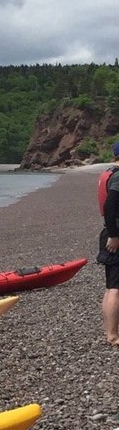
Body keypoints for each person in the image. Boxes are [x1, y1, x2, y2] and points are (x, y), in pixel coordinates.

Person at [100, 141, 119, 345]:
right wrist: (114, 235)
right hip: (114, 235)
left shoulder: (110, 172)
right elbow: (110, 206)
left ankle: (110, 331)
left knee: (111, 286)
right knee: (116, 288)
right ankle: (113, 335)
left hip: (110, 233)